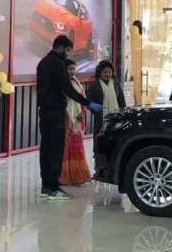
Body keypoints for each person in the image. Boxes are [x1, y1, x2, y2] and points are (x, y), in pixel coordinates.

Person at [37, 35, 103, 200]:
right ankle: (53, 188)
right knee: (55, 151)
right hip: (56, 113)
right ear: (59, 47)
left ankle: (46, 187)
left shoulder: (42, 63)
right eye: (66, 50)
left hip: (44, 112)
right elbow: (68, 89)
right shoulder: (57, 64)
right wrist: (87, 103)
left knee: (46, 150)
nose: (67, 54)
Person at [60, 59, 93, 186]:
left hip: (77, 120)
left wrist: (82, 113)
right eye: (70, 69)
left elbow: (83, 99)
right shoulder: (61, 84)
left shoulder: (76, 83)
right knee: (64, 148)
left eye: (74, 69)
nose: (72, 71)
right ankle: (64, 177)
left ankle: (77, 177)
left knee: (77, 147)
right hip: (65, 118)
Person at [85, 60, 126, 131]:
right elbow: (88, 102)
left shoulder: (116, 83)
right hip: (100, 119)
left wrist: (123, 113)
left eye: (109, 72)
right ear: (99, 73)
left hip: (116, 118)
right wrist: (96, 112)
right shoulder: (94, 85)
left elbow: (121, 100)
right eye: (105, 72)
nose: (108, 74)